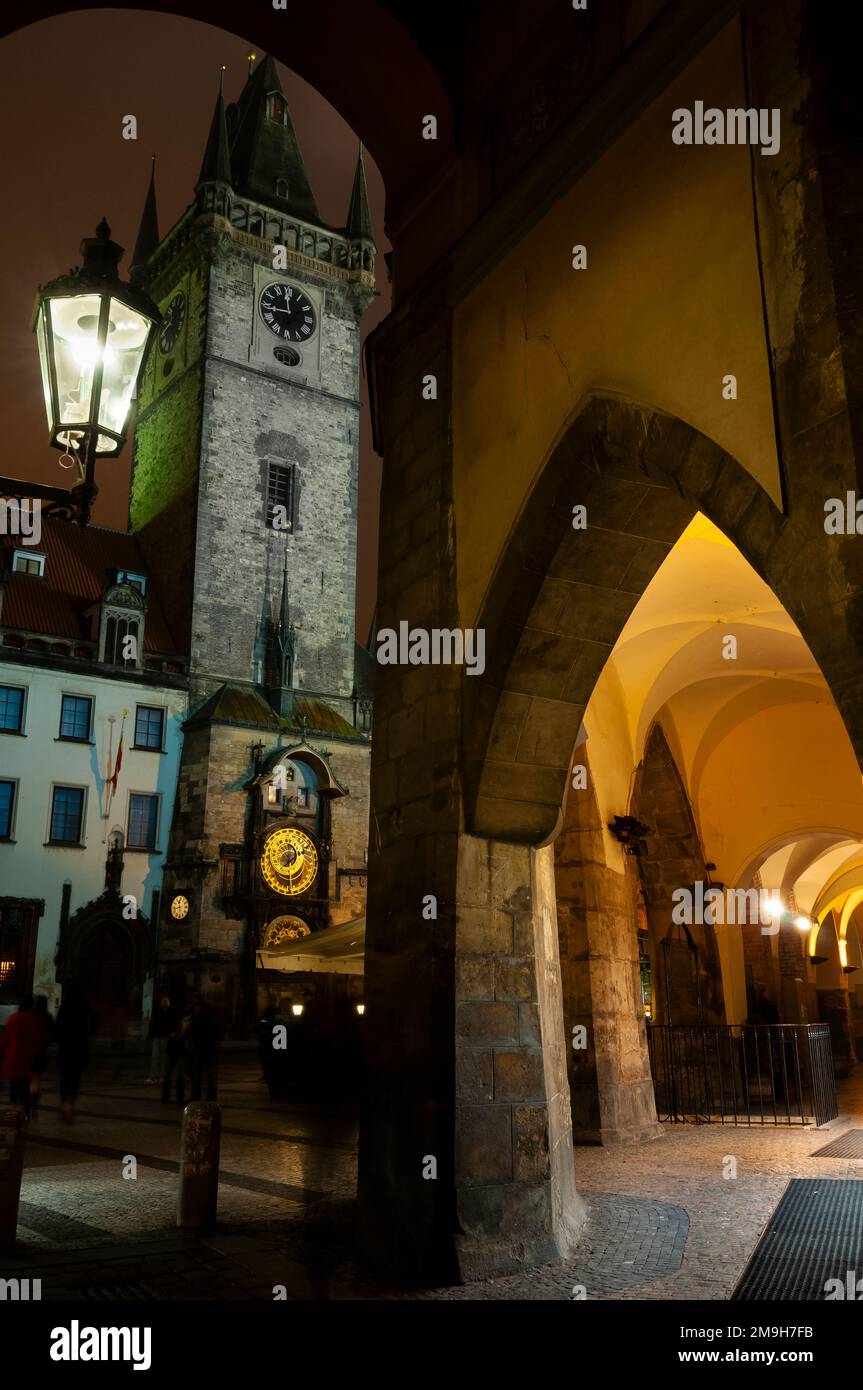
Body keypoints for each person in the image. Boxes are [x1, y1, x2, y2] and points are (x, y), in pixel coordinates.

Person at [0, 994, 49, 1118]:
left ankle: (14, 1111)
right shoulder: (36, 1020)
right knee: (25, 1088)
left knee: (14, 1087)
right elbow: (41, 1040)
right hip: (29, 1060)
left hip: (13, 1059)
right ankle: (25, 1114)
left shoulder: (14, 1018)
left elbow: (6, 1039)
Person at [55, 985, 99, 1121]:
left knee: (64, 1077)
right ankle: (70, 1102)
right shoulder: (84, 1006)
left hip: (66, 1047)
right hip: (80, 1046)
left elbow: (57, 1027)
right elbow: (96, 1018)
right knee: (75, 1077)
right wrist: (90, 1032)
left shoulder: (65, 1007)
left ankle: (64, 1103)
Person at [188, 995, 220, 1102]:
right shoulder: (211, 1013)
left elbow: (194, 1029)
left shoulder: (199, 1014)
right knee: (209, 1074)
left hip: (201, 1046)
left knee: (198, 1073)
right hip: (210, 1047)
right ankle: (211, 1096)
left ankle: (196, 1096)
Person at [29, 995, 55, 1114]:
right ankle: (34, 1103)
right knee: (36, 1079)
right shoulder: (47, 1018)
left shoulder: (31, 1017)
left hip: (29, 1051)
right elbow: (51, 1035)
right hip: (41, 1052)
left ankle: (28, 1101)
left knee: (30, 1078)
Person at [162, 1007, 190, 1104]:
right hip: (175, 1048)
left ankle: (175, 1096)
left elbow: (184, 1035)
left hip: (178, 1049)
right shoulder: (177, 1022)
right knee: (171, 1074)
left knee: (176, 1074)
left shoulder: (184, 1022)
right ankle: (173, 1096)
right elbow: (170, 1032)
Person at [148, 996, 178, 1085]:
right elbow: (153, 1023)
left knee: (162, 1058)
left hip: (164, 1036)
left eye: (166, 1001)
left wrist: (171, 1032)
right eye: (163, 1001)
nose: (164, 1003)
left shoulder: (170, 1012)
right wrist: (152, 1034)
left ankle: (160, 1076)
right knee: (156, 1057)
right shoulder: (158, 1011)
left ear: (168, 1003)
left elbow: (174, 1023)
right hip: (158, 1036)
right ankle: (154, 1076)